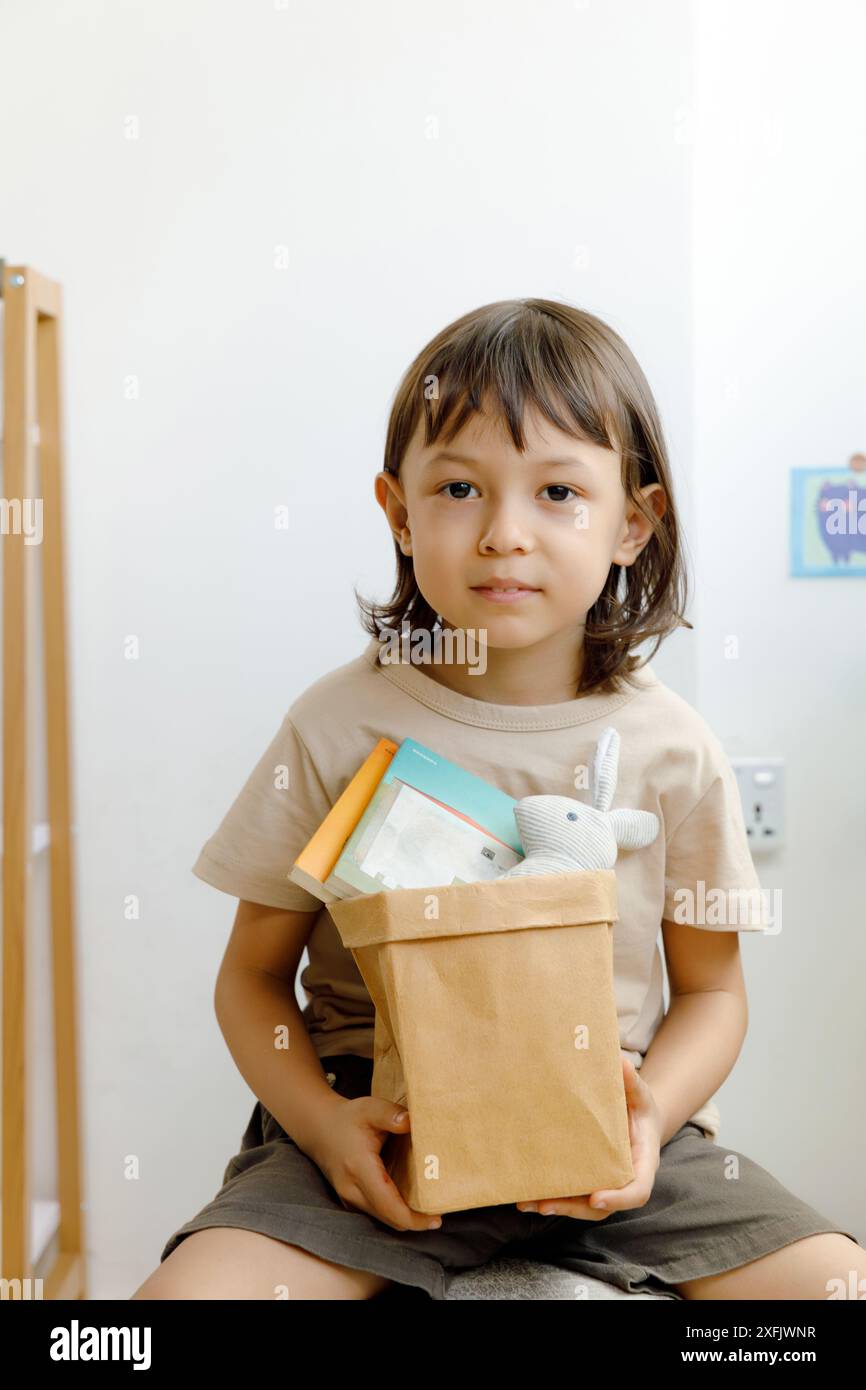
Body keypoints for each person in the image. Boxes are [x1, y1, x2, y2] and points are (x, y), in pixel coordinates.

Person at [131, 298, 864, 1301]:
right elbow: (251, 982)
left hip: (609, 1134)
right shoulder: (334, 724)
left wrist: (646, 1117)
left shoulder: (671, 747)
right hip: (374, 1128)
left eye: (557, 490)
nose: (503, 534)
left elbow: (710, 993)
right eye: (460, 488)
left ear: (630, 524)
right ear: (398, 511)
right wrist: (323, 1126)